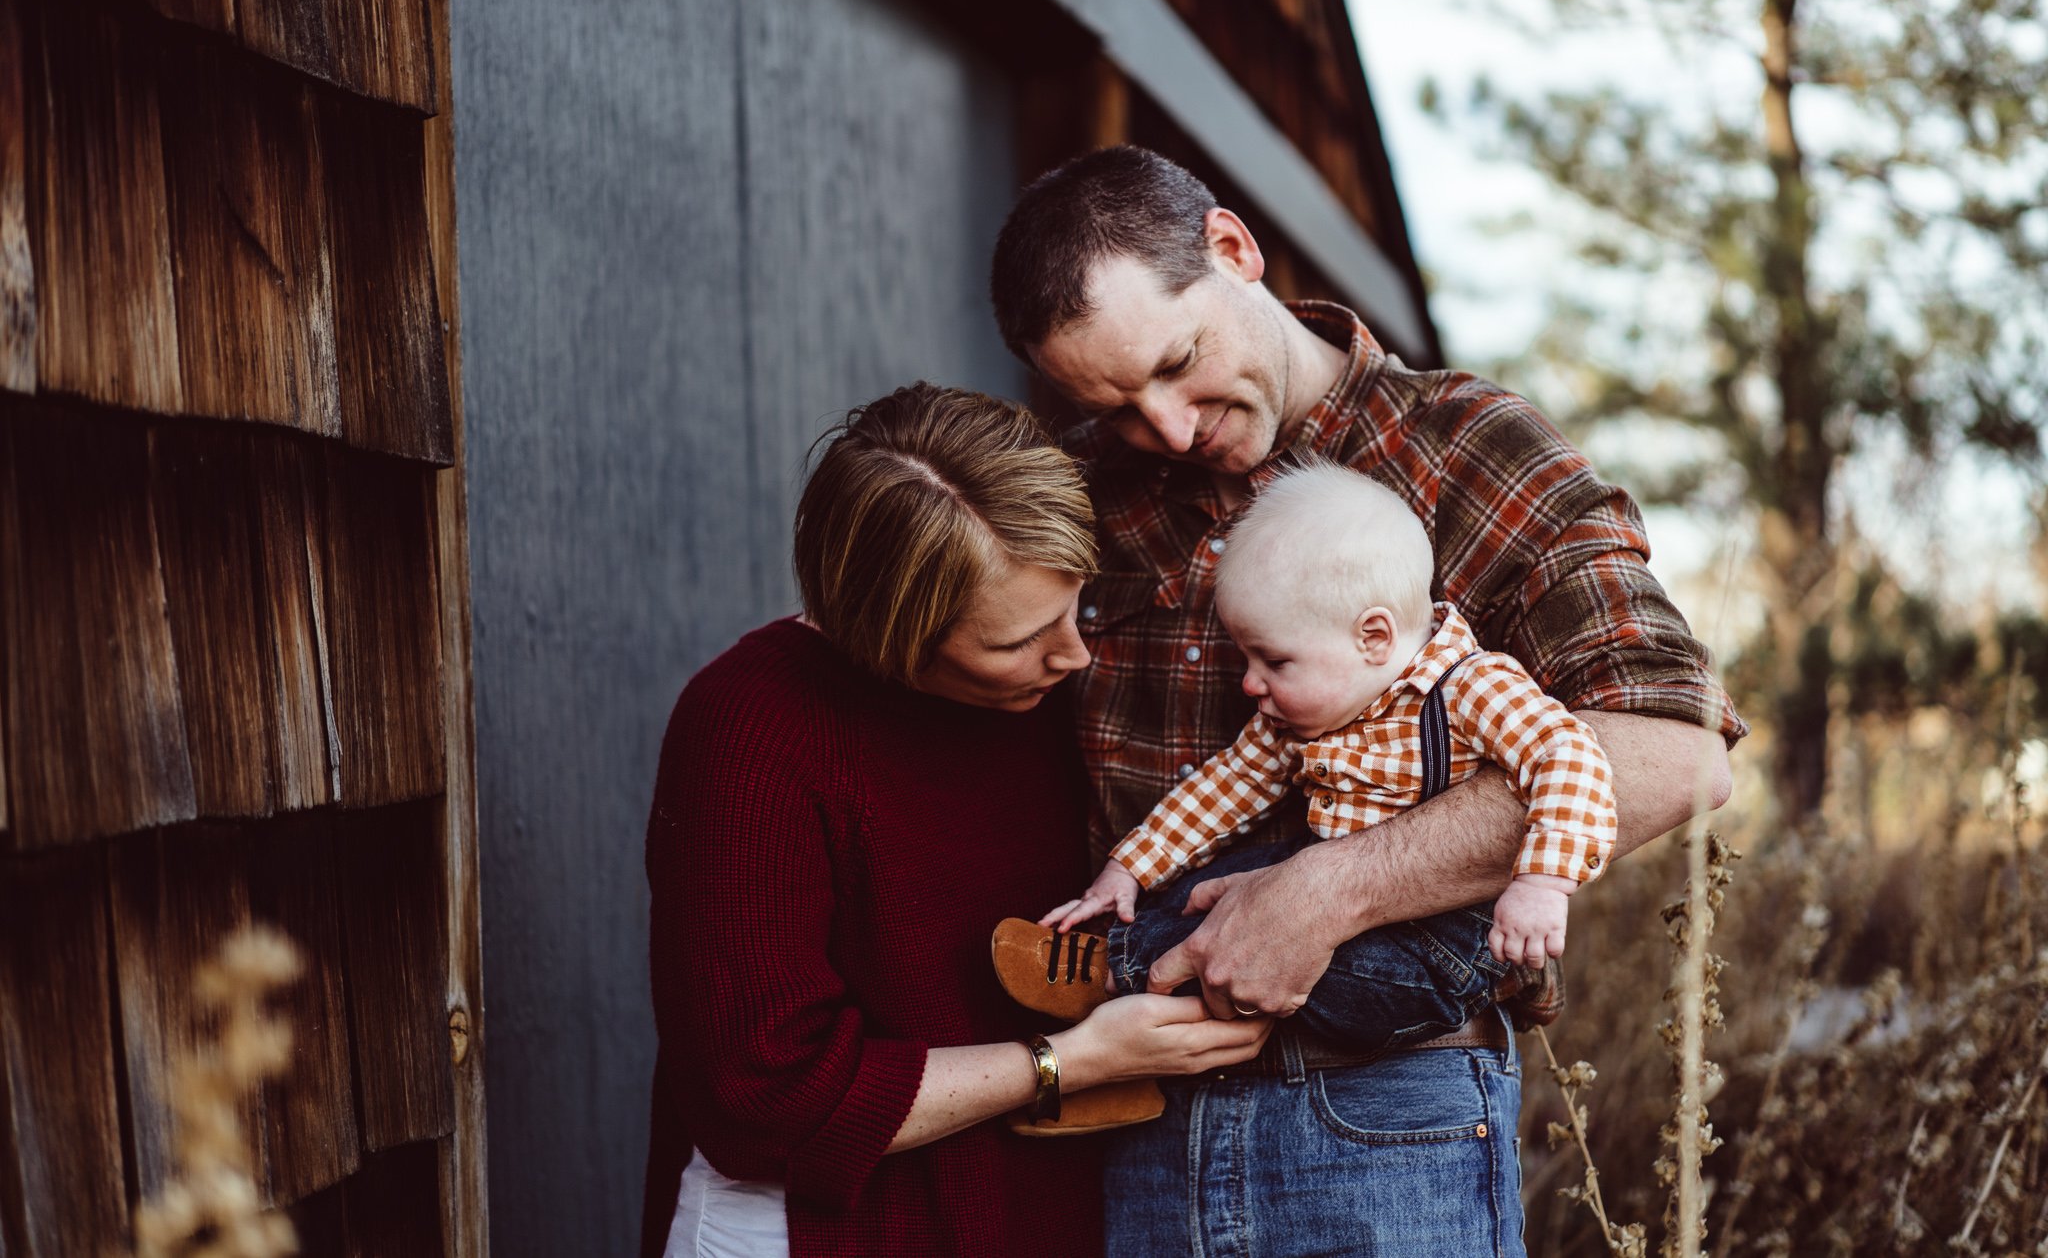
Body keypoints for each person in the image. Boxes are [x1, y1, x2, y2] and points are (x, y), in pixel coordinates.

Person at [989, 145, 1745, 1254]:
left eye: (1178, 362)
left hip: (1387, 1115)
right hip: (1131, 1122)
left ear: (1233, 250)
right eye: (1114, 403)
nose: (1168, 428)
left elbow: (1674, 750)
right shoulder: (1086, 489)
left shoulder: (1466, 448)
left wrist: (1329, 892)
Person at [640, 383, 1271, 1258]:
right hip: (818, 1231)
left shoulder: (1052, 700)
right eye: (1017, 640)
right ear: (889, 634)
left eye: (1075, 606)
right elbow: (761, 1096)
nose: (1074, 653)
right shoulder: (751, 727)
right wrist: (1069, 1061)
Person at [995, 461, 1613, 1075]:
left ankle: (1112, 973)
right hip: (1311, 879)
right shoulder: (1301, 715)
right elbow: (1226, 786)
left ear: (1373, 637)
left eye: (1274, 661)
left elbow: (1570, 755)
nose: (1249, 682)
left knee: (1354, 982)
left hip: (1437, 940)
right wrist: (1129, 866)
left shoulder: (1471, 687)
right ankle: (1132, 1042)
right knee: (1200, 893)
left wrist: (1541, 883)